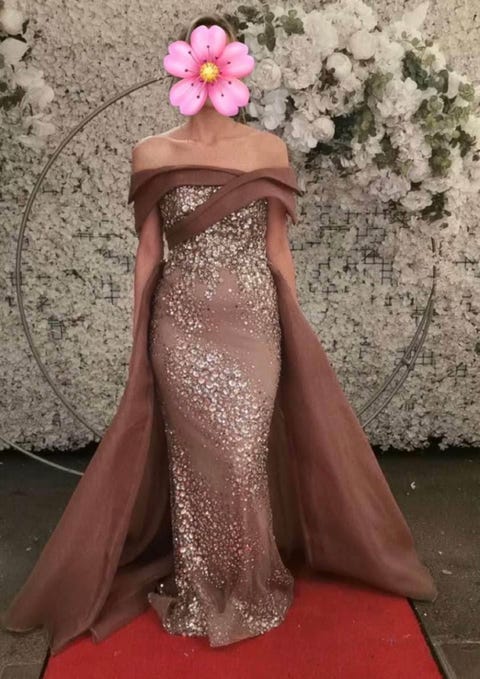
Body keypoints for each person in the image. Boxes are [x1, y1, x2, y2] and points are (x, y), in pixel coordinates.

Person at [2, 13, 437, 656]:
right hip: (179, 326)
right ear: (186, 66)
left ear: (233, 67)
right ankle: (201, 583)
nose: (210, 70)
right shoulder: (151, 153)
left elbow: (278, 248)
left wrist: (293, 325)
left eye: (221, 58)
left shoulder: (267, 150)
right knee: (195, 460)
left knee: (240, 452)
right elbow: (148, 253)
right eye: (201, 60)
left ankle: (251, 580)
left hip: (254, 322)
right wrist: (138, 338)